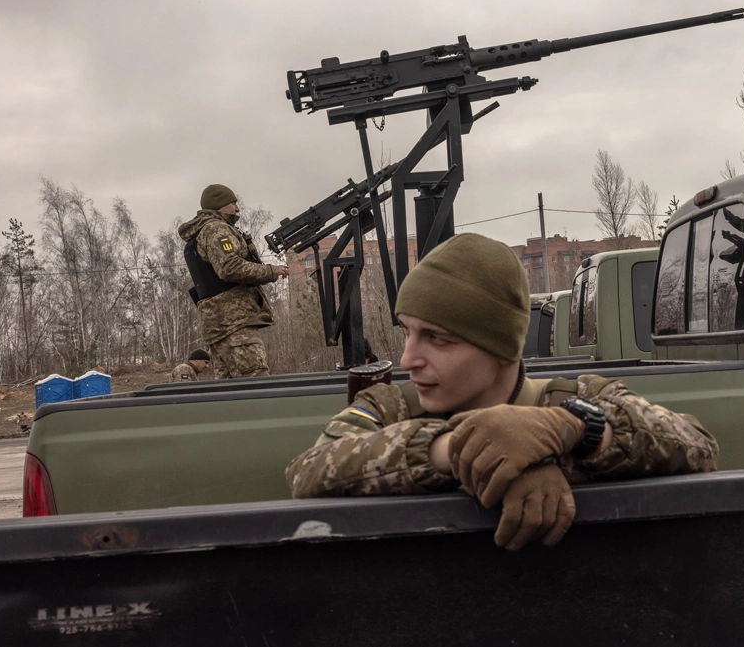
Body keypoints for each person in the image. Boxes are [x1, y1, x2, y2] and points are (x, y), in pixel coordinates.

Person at [286, 233, 718, 551]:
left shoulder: (578, 396)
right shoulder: (390, 407)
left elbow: (696, 446)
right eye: (408, 333)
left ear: (499, 348)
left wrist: (573, 429)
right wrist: (460, 448)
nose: (407, 359)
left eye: (436, 338)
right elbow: (309, 472)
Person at [178, 184, 288, 379]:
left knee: (229, 388)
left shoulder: (199, 233)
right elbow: (230, 267)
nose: (237, 209)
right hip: (235, 323)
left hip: (218, 326)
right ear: (219, 205)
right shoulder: (217, 229)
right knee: (256, 381)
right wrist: (272, 271)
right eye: (233, 203)